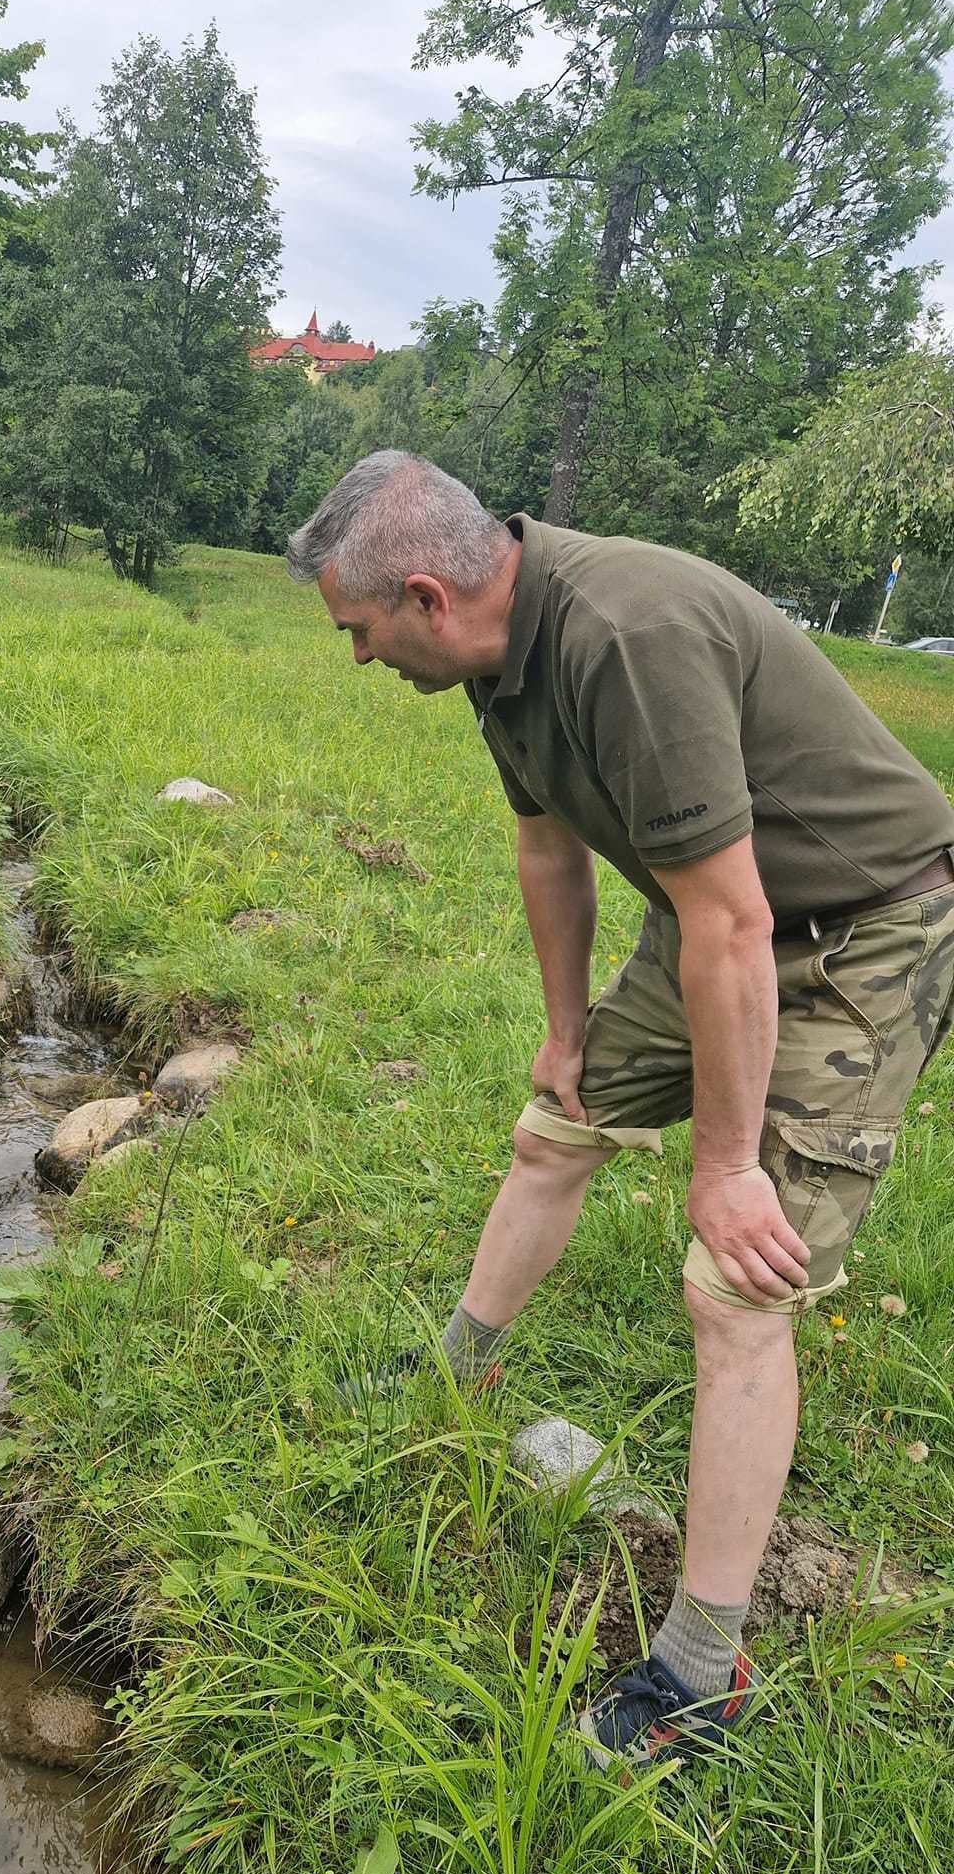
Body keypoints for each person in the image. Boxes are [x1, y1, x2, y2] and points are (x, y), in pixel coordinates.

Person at [288, 451, 954, 1768]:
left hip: (865, 926)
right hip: (715, 917)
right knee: (560, 1125)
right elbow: (551, 847)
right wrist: (563, 1032)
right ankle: (457, 1365)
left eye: (357, 631)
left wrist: (724, 1163)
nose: (356, 658)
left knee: (737, 1283)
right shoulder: (493, 662)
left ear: (426, 596)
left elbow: (733, 919)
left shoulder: (624, 636)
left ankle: (702, 1673)